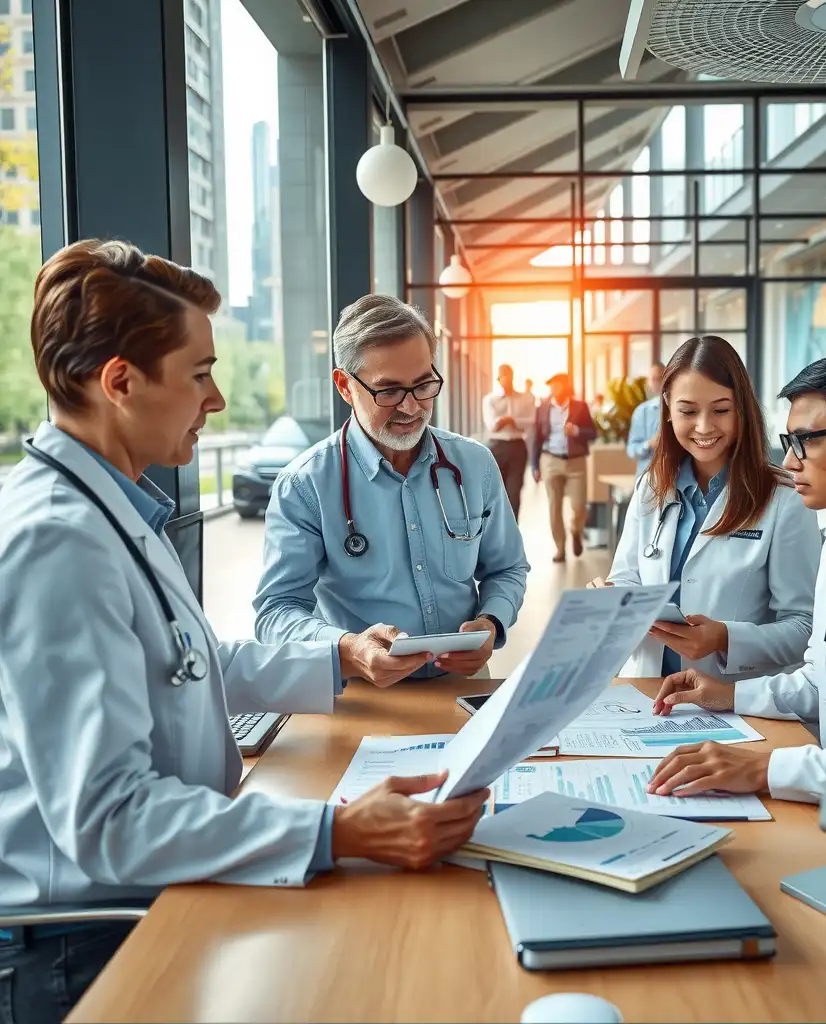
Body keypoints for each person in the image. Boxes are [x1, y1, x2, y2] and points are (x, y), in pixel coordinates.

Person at [0, 240, 488, 1023]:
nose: (218, 399)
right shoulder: (57, 541)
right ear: (120, 383)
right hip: (86, 948)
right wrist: (341, 831)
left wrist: (339, 654)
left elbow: (190, 662)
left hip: (156, 894)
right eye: (200, 373)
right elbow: (109, 819)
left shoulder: (107, 513)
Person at [647, 346, 826, 804]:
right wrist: (726, 694)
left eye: (807, 441)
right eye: (789, 442)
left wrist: (763, 767)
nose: (792, 462)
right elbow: (819, 682)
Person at [255, 294, 529, 683]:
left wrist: (491, 621)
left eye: (423, 385)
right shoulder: (306, 485)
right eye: (388, 391)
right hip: (362, 695)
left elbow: (507, 567)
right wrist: (349, 649)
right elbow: (276, 610)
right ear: (345, 386)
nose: (411, 407)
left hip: (462, 687)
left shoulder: (475, 465)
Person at [587, 336, 820, 681]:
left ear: (742, 409)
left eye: (721, 410)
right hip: (646, 691)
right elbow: (627, 577)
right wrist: (612, 599)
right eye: (688, 411)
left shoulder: (784, 499)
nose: (704, 427)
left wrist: (724, 639)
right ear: (667, 408)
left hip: (731, 700)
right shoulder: (651, 487)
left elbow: (804, 628)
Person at [532, 372, 598, 562]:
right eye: (551, 385)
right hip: (550, 460)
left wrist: (576, 431)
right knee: (554, 506)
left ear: (565, 386)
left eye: (557, 385)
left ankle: (576, 530)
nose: (553, 388)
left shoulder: (580, 406)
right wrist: (535, 465)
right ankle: (560, 548)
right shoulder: (543, 407)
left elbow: (593, 433)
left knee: (579, 506)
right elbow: (536, 437)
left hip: (575, 461)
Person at [482, 363, 535, 521]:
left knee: (514, 491)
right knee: (496, 491)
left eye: (510, 377)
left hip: (518, 447)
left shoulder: (524, 399)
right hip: (496, 446)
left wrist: (512, 420)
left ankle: (512, 530)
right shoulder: (490, 399)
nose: (507, 381)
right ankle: (495, 530)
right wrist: (508, 421)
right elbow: (492, 425)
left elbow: (530, 422)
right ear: (499, 379)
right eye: (504, 378)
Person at [625, 361, 666, 477]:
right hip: (647, 478)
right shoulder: (642, 412)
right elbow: (631, 450)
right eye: (653, 379)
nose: (657, 382)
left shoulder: (680, 409)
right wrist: (648, 444)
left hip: (677, 479)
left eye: (660, 378)